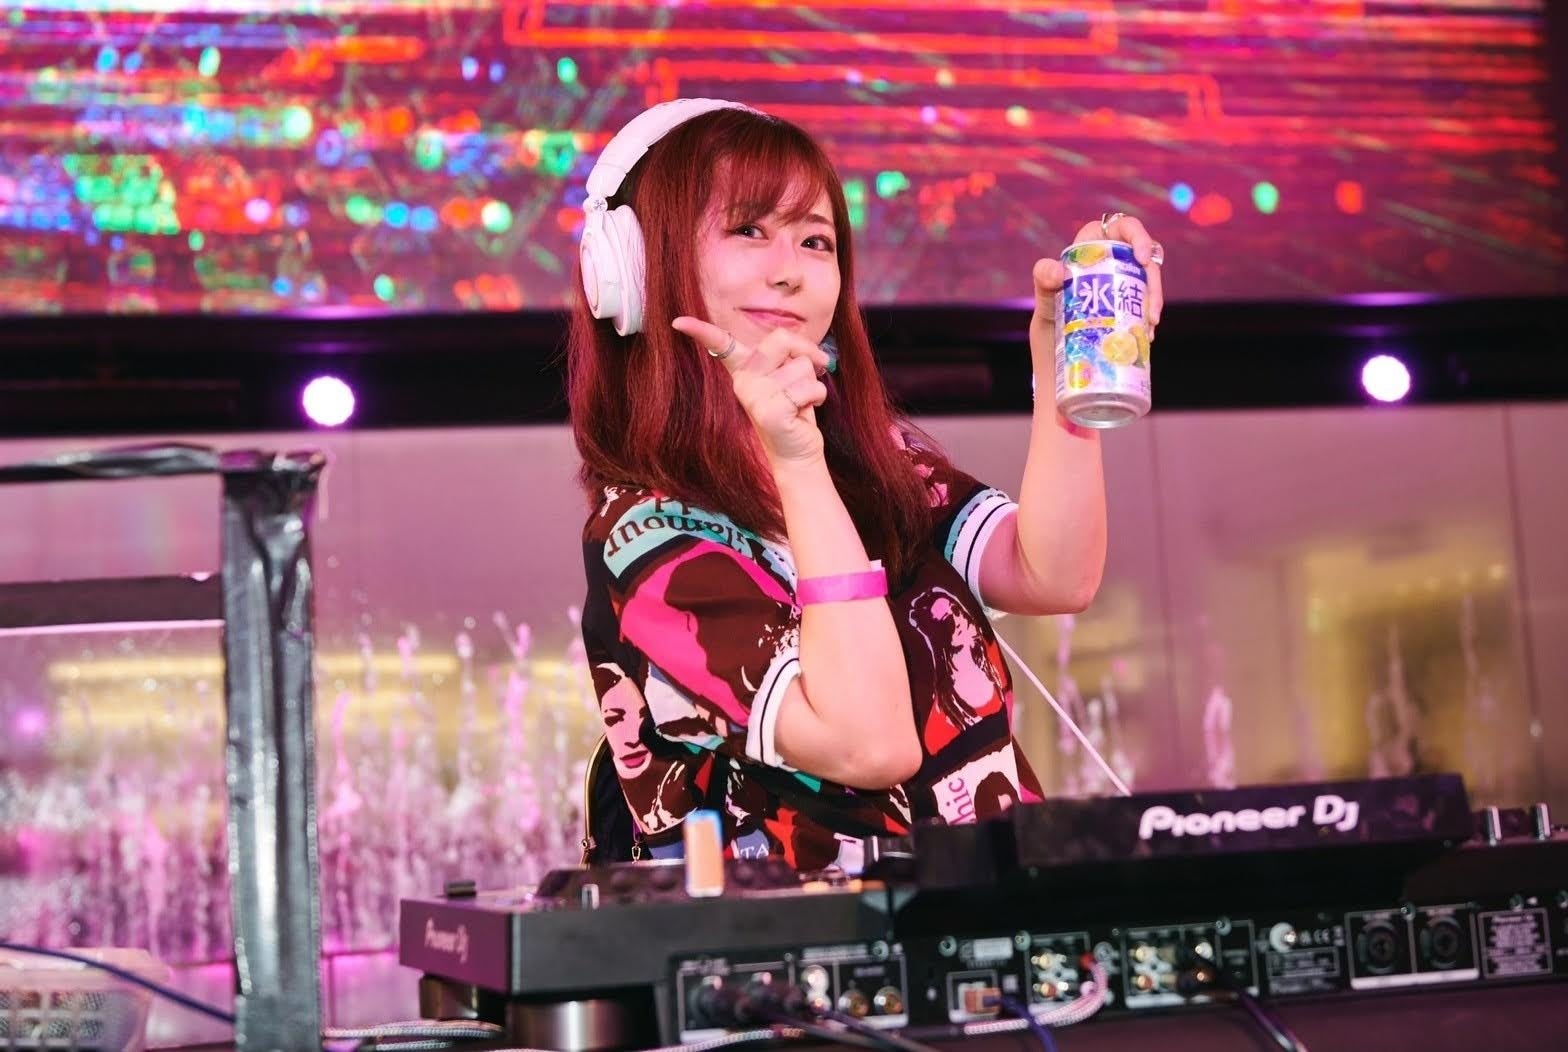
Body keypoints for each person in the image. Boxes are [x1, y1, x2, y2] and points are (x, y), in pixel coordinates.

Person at [569, 98, 1165, 871]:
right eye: (748, 230)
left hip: (989, 915)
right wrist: (797, 462)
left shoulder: (874, 460)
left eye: (815, 240)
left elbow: (1051, 574)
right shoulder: (648, 536)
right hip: (812, 942)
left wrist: (1066, 368)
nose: (789, 271)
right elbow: (871, 745)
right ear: (636, 267)